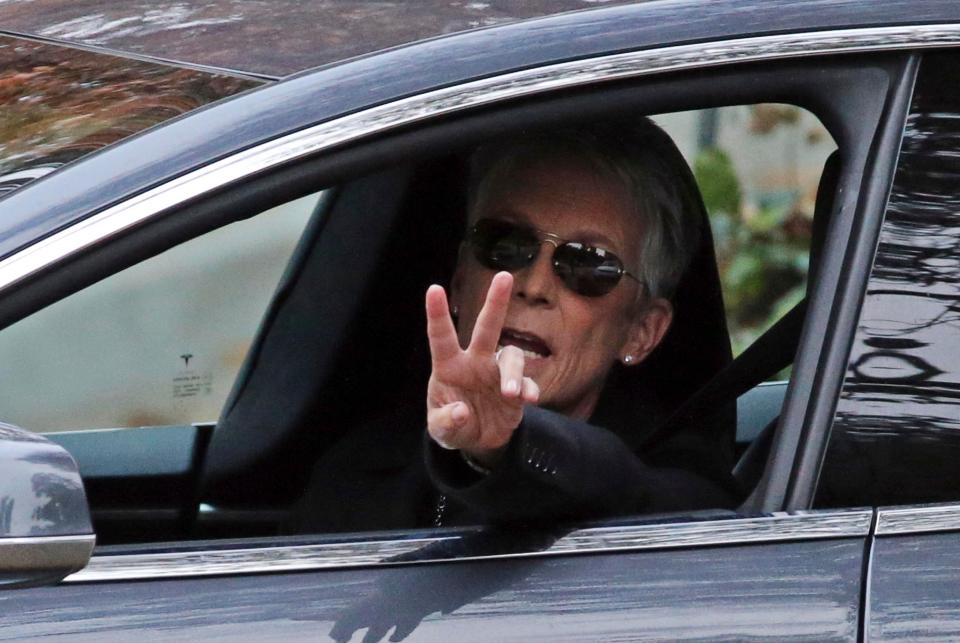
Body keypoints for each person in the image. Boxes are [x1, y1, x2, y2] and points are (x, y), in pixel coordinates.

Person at [290, 119, 737, 534]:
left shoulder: (679, 502)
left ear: (641, 331)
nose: (534, 285)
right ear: (461, 281)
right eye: (505, 244)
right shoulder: (357, 473)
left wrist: (503, 448)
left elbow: (628, 492)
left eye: (588, 263)